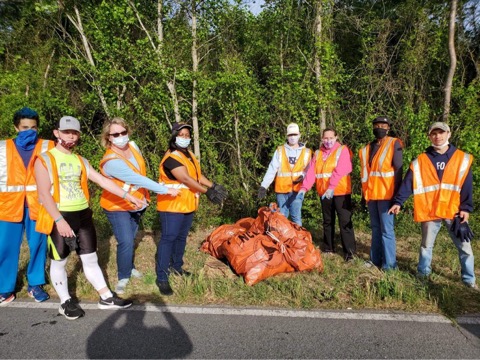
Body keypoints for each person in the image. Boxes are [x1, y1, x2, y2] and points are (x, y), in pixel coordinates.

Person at [34, 116, 144, 320]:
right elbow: (43, 194)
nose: (71, 136)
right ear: (57, 133)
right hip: (60, 216)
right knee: (60, 261)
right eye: (66, 132)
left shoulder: (80, 160)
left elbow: (102, 180)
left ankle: (106, 297)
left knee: (90, 258)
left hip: (83, 215)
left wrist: (128, 196)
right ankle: (65, 302)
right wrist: (59, 220)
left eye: (74, 132)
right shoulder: (45, 160)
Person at [389, 122, 476, 288]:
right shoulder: (421, 160)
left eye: (441, 133)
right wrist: (398, 202)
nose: (438, 136)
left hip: (454, 210)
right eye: (434, 133)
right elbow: (408, 182)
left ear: (448, 134)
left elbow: (467, 185)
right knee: (426, 247)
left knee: (465, 247)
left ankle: (469, 281)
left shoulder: (461, 158)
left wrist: (466, 208)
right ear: (429, 136)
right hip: (430, 211)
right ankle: (423, 276)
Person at [99, 117, 179, 295]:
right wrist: (164, 190)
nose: (121, 136)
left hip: (137, 203)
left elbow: (141, 170)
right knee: (126, 240)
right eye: (116, 134)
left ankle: (130, 265)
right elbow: (137, 179)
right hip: (117, 205)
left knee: (132, 237)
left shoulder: (133, 147)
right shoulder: (111, 161)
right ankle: (123, 276)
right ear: (109, 137)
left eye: (123, 132)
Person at [156, 122, 227, 295]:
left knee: (181, 238)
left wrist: (213, 185)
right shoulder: (172, 157)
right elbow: (186, 179)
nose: (185, 138)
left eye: (188, 135)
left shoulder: (188, 155)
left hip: (187, 205)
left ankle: (177, 267)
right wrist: (208, 192)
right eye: (182, 135)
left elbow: (197, 175)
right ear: (174, 136)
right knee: (168, 239)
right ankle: (162, 277)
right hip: (171, 206)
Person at [0, 107, 54, 306]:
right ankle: (5, 289)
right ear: (16, 127)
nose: (28, 131)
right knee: (5, 247)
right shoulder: (2, 148)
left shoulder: (49, 146)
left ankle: (35, 284)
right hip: (7, 206)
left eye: (33, 127)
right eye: (24, 127)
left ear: (38, 127)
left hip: (38, 204)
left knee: (38, 244)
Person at [297, 128, 356, 261]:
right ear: (322, 139)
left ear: (336, 137)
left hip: (341, 192)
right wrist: (304, 188)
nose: (328, 141)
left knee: (345, 222)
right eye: (325, 138)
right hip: (324, 193)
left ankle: (350, 253)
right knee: (327, 221)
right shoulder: (318, 153)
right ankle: (329, 247)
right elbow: (311, 172)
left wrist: (332, 187)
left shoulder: (342, 150)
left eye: (331, 138)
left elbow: (340, 170)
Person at [359, 116, 403, 270]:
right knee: (376, 229)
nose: (380, 128)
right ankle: (375, 260)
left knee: (387, 231)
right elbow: (366, 175)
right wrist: (363, 195)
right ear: (373, 127)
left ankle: (390, 265)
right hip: (372, 196)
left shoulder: (393, 143)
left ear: (388, 128)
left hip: (387, 196)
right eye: (377, 125)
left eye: (383, 125)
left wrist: (397, 198)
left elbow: (398, 171)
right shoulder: (367, 148)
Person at [257, 123, 312, 226]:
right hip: (282, 190)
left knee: (296, 217)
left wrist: (303, 177)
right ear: (287, 136)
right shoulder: (280, 150)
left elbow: (310, 171)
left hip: (297, 190)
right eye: (290, 135)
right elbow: (272, 169)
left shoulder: (307, 152)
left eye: (295, 134)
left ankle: (298, 240)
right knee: (281, 218)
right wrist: (264, 186)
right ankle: (281, 241)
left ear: (299, 135)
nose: (293, 137)